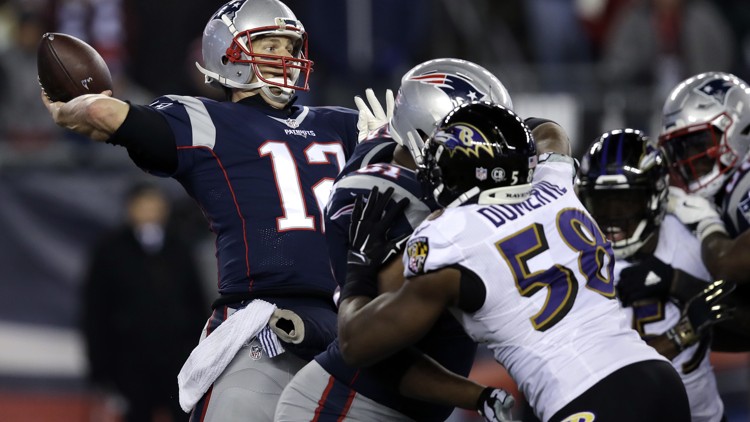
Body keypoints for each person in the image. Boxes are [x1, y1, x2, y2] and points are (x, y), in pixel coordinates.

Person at [42, 0, 360, 421]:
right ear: (228, 54)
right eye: (270, 44)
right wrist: (78, 106)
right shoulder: (208, 119)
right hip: (262, 323)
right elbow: (104, 111)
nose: (285, 56)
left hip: (350, 327)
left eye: (290, 45)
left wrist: (391, 147)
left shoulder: (348, 124)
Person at [336, 101, 692, 422]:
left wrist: (359, 267)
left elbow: (356, 343)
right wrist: (495, 125)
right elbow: (550, 131)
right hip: (658, 377)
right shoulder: (556, 184)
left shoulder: (447, 235)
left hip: (586, 396)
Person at [275, 58, 517, 421]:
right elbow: (377, 351)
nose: (491, 153)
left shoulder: (399, 159)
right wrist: (478, 396)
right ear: (426, 134)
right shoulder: (375, 202)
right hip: (345, 405)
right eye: (477, 138)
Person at [576, 128, 732, 422]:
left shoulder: (690, 240)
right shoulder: (578, 260)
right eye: (602, 203)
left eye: (625, 202)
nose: (612, 218)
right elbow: (608, 373)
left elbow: (742, 319)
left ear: (655, 196)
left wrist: (678, 282)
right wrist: (682, 333)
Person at [618, 71, 750, 351]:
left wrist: (707, 226)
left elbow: (728, 262)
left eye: (697, 144)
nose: (688, 159)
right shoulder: (727, 191)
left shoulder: (743, 184)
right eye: (680, 149)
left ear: (737, 128)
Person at [81, 181, 208, 422]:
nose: (150, 211)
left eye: (155, 204)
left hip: (177, 360)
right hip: (129, 362)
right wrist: (99, 367)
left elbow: (196, 302)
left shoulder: (179, 247)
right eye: (143, 205)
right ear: (130, 208)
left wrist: (200, 352)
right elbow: (96, 311)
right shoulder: (110, 250)